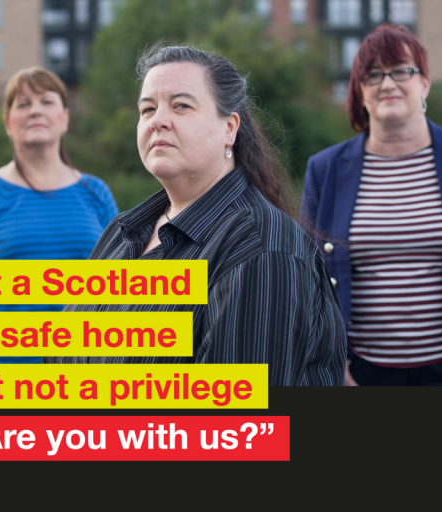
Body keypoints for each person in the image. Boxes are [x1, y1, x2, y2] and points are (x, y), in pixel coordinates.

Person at [46, 46, 347, 386]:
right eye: (147, 109)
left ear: (229, 128)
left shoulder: (260, 248)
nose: (157, 120)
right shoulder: (123, 232)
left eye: (181, 106)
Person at [301, 25, 442, 386]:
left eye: (401, 71)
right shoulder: (325, 169)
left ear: (425, 83)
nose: (387, 83)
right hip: (360, 375)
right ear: (360, 91)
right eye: (373, 75)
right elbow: (307, 277)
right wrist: (334, 368)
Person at [0, 67, 118, 364]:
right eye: (23, 104)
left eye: (46, 101)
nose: (35, 111)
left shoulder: (96, 193)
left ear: (65, 118)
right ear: (7, 123)